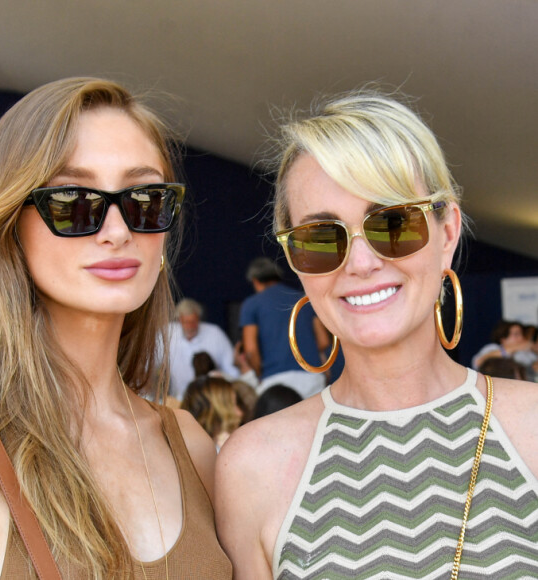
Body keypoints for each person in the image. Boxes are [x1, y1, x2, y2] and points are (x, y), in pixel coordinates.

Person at [215, 90, 538, 579]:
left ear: (446, 232)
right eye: (322, 238)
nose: (361, 263)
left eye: (392, 223)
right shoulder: (253, 467)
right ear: (295, 262)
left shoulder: (532, 428)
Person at [0, 77, 232, 579]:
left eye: (145, 199)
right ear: (8, 227)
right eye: (72, 202)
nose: (118, 231)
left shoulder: (191, 445)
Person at [240, 257, 330, 398]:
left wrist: (259, 375)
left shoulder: (252, 304)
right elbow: (324, 340)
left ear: (255, 281)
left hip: (275, 379)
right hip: (311, 376)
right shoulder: (304, 299)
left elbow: (250, 350)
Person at [167, 298, 240, 399]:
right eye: (186, 322)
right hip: (179, 398)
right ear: (179, 320)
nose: (190, 326)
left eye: (193, 322)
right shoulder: (167, 334)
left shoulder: (215, 334)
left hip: (211, 397)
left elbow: (232, 370)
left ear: (199, 319)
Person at [181, 376, 243, 451]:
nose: (240, 413)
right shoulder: (218, 452)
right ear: (217, 412)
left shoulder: (184, 446)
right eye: (233, 404)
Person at [472, 319, 537, 379]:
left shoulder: (522, 353)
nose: (521, 337)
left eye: (522, 334)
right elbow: (477, 362)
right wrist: (519, 346)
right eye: (516, 334)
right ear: (503, 339)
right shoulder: (493, 348)